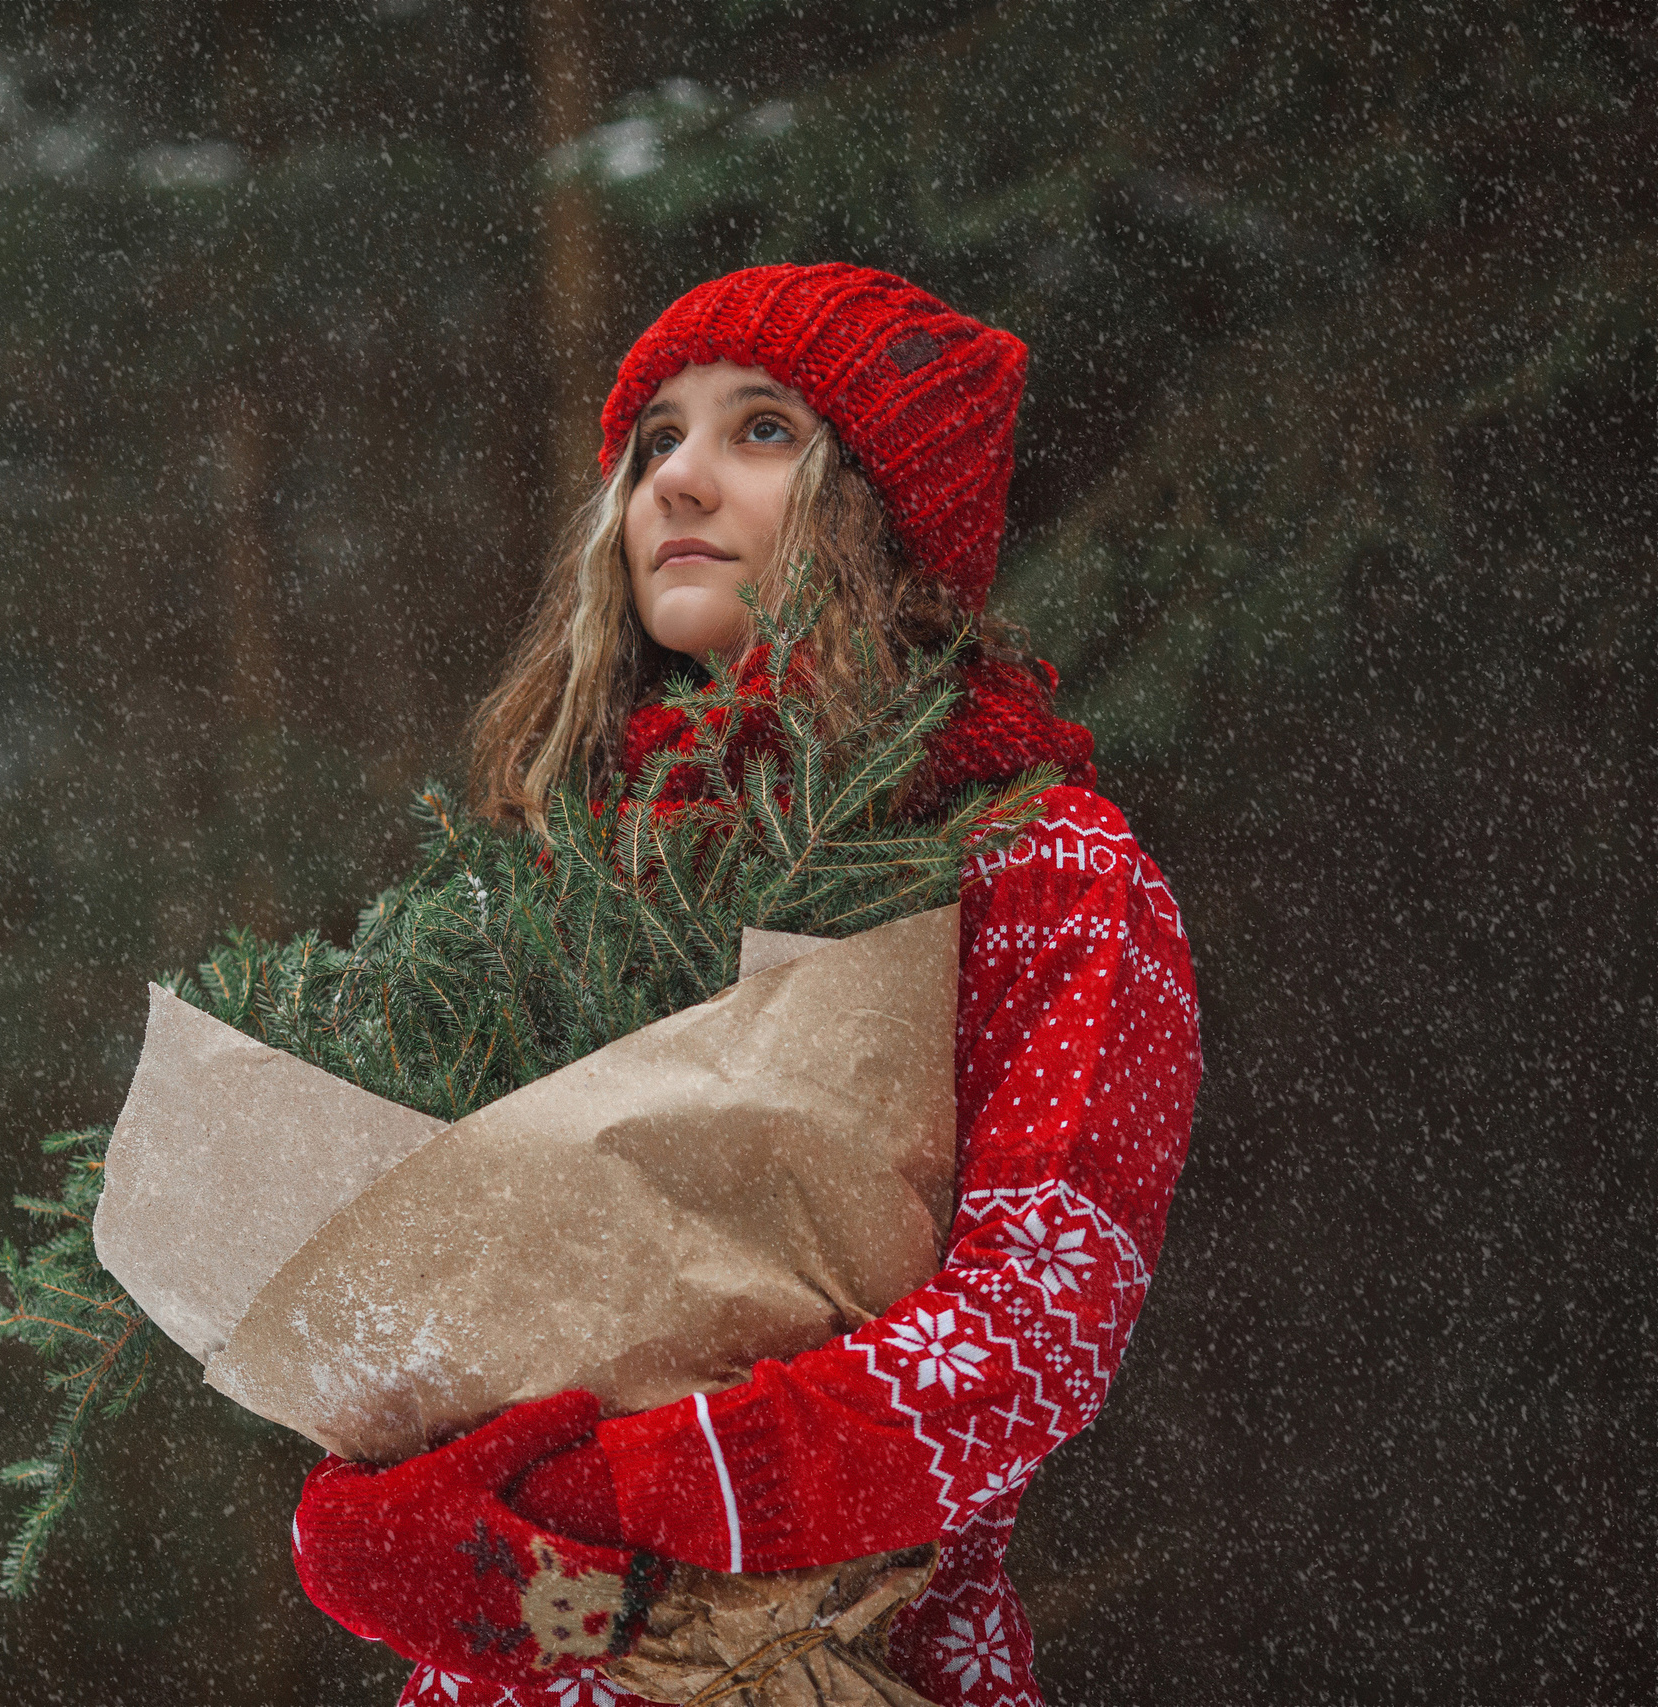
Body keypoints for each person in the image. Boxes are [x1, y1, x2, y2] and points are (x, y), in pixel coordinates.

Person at [285, 264, 1203, 1707]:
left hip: (841, 1665)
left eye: (761, 431)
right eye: (656, 441)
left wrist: (624, 1489)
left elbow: (1034, 1324)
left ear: (886, 516)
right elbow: (433, 1316)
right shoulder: (551, 877)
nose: (682, 481)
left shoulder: (1031, 868)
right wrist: (359, 1510)